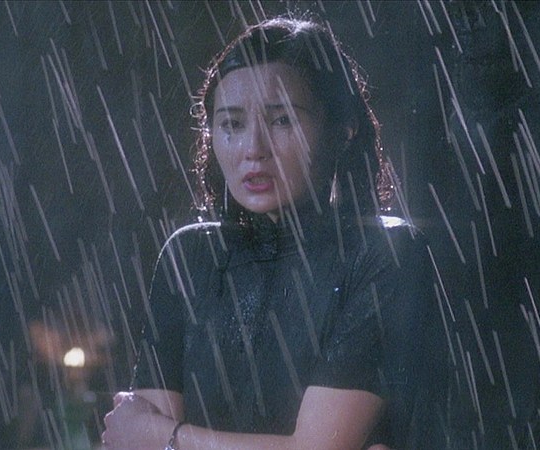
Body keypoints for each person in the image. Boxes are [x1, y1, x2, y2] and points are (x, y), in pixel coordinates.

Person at [103, 16, 447, 449]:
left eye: (282, 120)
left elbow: (316, 449)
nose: (253, 149)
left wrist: (165, 437)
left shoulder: (384, 253)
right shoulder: (190, 256)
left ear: (343, 129)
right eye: (231, 124)